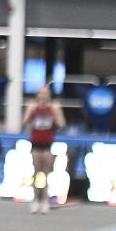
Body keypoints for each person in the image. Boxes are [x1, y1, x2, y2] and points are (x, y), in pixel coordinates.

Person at [22, 85, 66, 214]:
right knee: (36, 173)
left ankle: (45, 201)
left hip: (47, 145)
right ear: (38, 95)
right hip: (35, 143)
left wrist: (55, 113)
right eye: (41, 93)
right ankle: (36, 200)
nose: (43, 96)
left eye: (46, 93)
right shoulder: (32, 107)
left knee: (46, 174)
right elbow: (24, 123)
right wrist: (30, 112)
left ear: (49, 95)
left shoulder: (53, 107)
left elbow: (62, 124)